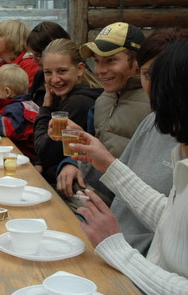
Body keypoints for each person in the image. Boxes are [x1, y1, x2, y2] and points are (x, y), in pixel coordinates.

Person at [72, 38, 188, 295]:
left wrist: (116, 247)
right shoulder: (175, 147)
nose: (150, 90)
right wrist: (107, 164)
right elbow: (171, 219)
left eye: (154, 78)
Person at [104, 28, 187, 255]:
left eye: (111, 60)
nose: (155, 86)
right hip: (115, 244)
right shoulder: (151, 120)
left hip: (129, 253)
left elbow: (172, 225)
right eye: (147, 75)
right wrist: (82, 160)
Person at [58, 22, 150, 201]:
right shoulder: (103, 99)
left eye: (111, 60)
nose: (100, 70)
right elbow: (96, 148)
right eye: (97, 61)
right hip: (89, 195)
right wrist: (72, 162)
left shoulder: (155, 106)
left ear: (137, 62)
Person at [33, 39, 103, 183]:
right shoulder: (64, 96)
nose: (55, 80)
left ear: (80, 69)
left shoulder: (78, 102)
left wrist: (46, 108)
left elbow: (45, 151)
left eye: (62, 71)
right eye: (48, 72)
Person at [0, 64, 39, 161]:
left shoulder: (17, 108)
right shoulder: (24, 104)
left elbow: (9, 128)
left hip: (25, 155)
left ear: (7, 92)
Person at [26, 21, 70, 106]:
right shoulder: (40, 75)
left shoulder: (76, 98)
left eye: (38, 56)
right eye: (48, 72)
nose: (33, 60)